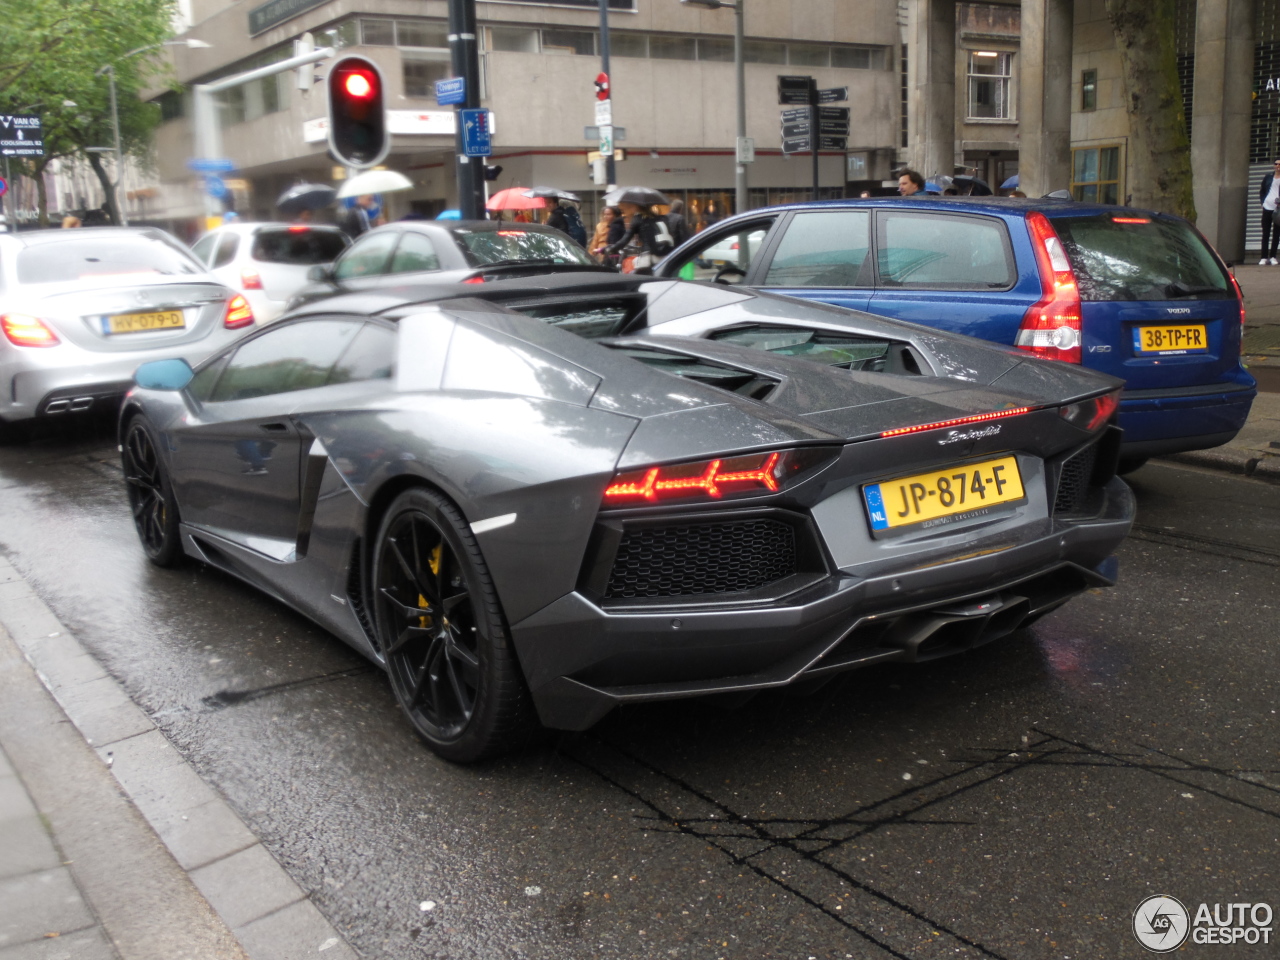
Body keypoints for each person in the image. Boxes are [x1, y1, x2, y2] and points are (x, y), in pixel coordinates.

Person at [604, 201, 676, 274]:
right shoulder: (660, 217)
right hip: (665, 256)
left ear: (637, 206)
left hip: (648, 258)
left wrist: (610, 249)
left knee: (637, 278)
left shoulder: (638, 218)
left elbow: (624, 240)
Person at [1260, 158, 1280, 265]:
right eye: (1276, 164)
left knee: (1276, 233)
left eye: (1279, 164)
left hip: (1278, 209)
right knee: (1265, 233)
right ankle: (1263, 257)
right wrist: (1262, 202)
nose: (1277, 166)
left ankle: (1273, 256)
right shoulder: (1268, 177)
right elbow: (1262, 190)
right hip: (1267, 207)